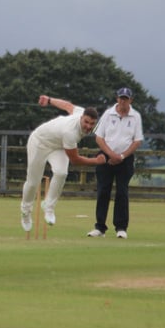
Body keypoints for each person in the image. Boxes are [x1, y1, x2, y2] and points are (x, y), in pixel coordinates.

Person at [20, 95, 106, 232]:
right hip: (39, 142)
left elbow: (67, 106)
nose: (88, 126)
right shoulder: (70, 132)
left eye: (92, 124)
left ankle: (48, 207)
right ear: (81, 118)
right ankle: (25, 212)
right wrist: (96, 161)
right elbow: (75, 160)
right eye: (86, 122)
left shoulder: (80, 112)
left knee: (61, 173)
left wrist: (49, 100)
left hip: (58, 146)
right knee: (33, 182)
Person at [88, 87, 144, 239]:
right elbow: (99, 137)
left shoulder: (135, 117)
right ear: (116, 98)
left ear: (131, 100)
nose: (123, 101)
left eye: (126, 98)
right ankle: (99, 227)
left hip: (125, 160)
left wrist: (122, 156)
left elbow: (137, 140)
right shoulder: (108, 113)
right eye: (120, 98)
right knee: (103, 191)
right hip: (105, 157)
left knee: (122, 192)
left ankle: (121, 228)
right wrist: (111, 154)